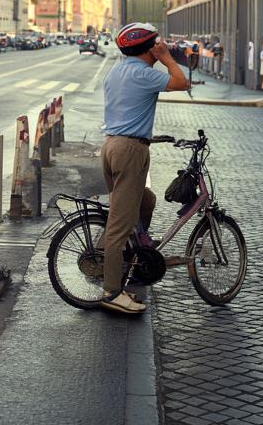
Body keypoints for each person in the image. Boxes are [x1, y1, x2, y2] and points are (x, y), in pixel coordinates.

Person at [99, 22, 189, 313]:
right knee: (120, 225)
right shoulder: (143, 74)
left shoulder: (118, 70)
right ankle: (112, 292)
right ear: (150, 46)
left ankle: (136, 254)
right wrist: (167, 58)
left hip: (112, 145)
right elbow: (182, 82)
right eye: (157, 42)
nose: (161, 45)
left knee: (144, 200)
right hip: (129, 150)